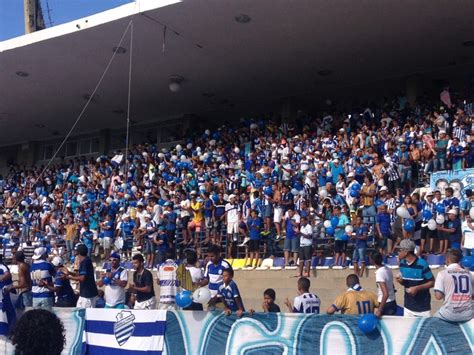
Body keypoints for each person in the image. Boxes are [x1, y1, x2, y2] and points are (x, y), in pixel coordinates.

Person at [396, 239, 434, 317]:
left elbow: (432, 282)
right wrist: (401, 281)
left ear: (406, 252)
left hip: (423, 308)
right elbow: (406, 283)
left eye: (399, 250)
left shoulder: (422, 264)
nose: (397, 252)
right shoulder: (402, 264)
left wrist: (417, 288)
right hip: (408, 307)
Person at [434, 249, 473, 322]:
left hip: (449, 314)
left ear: (447, 260)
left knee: (433, 320)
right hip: (468, 314)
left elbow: (438, 296)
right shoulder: (469, 274)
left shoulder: (442, 273)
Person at [62, 244, 99, 308]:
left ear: (78, 252)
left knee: (84, 314)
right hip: (85, 293)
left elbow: (82, 278)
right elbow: (80, 274)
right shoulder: (85, 260)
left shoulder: (85, 262)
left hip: (88, 294)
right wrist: (69, 273)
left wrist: (69, 277)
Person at [371, 251, 397, 316]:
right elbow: (392, 286)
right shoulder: (387, 269)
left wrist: (380, 310)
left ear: (372, 261)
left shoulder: (379, 273)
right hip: (392, 302)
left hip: (386, 304)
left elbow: (385, 294)